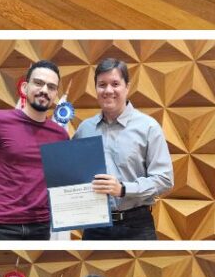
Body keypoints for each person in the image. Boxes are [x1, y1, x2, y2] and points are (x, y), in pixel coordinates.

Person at [0, 59, 69, 241]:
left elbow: (61, 181)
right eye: (38, 83)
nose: (44, 90)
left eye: (51, 87)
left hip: (41, 227)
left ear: (55, 95)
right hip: (1, 227)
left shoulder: (60, 135)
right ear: (25, 87)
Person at [73, 59, 173, 241]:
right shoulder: (84, 129)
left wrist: (124, 189)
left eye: (115, 84)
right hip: (95, 227)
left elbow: (164, 179)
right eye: (102, 85)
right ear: (95, 88)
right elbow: (73, 175)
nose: (108, 90)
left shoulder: (148, 127)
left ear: (127, 87)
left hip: (137, 226)